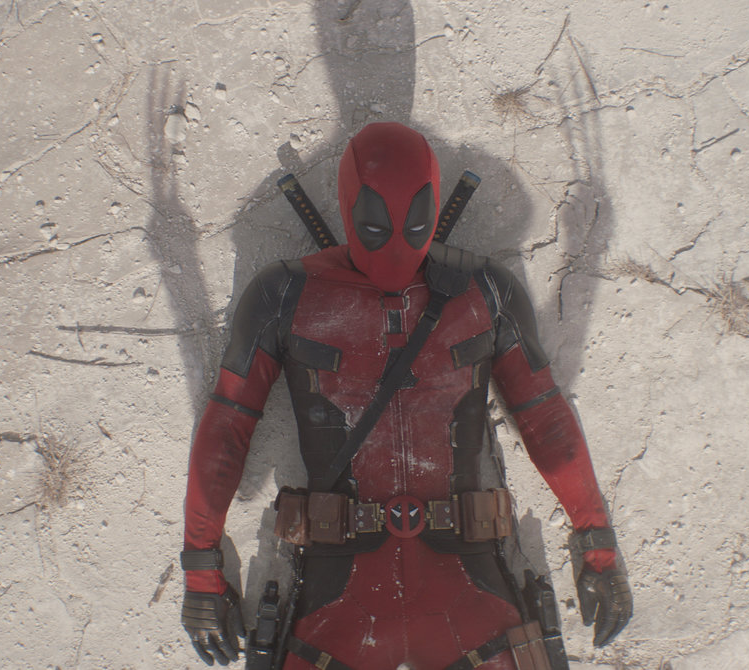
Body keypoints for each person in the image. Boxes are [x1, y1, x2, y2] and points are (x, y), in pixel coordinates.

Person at [180, 122, 631, 669]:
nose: (395, 242)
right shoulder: (285, 294)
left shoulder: (485, 290)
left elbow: (546, 420)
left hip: (421, 599)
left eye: (415, 223)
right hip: (372, 602)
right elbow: (228, 426)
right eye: (375, 225)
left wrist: (597, 542)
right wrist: (200, 568)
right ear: (351, 207)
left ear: (434, 209)